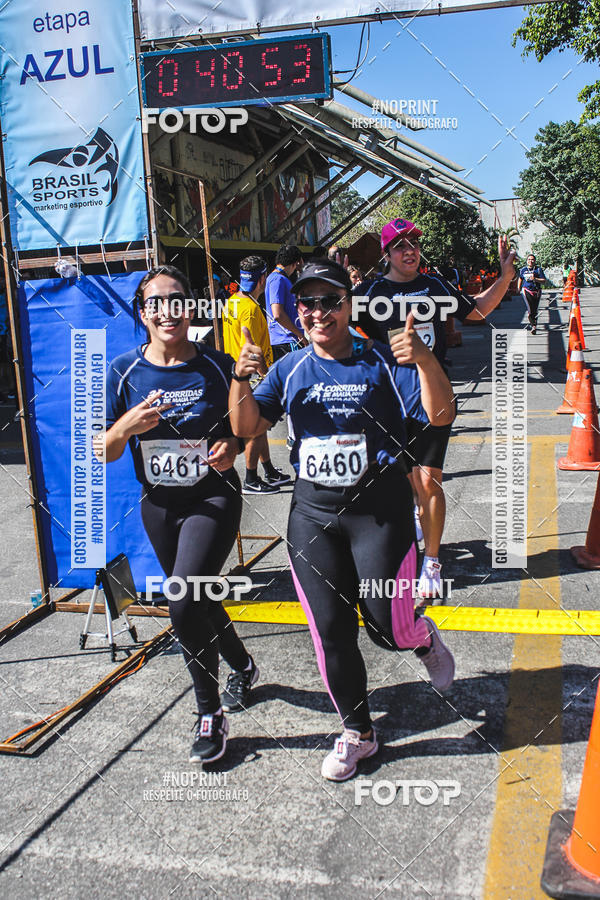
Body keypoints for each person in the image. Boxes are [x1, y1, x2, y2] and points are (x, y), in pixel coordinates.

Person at [229, 259, 457, 781]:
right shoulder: (288, 369)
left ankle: (421, 638)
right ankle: (358, 732)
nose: (317, 313)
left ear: (348, 304)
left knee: (386, 625)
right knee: (330, 629)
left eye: (330, 301)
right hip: (313, 516)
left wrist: (423, 360)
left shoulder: (383, 360)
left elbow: (440, 415)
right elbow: (245, 425)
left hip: (378, 512)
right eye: (307, 303)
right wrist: (241, 376)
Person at [101, 265, 259, 764]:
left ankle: (209, 713)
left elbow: (243, 428)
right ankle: (244, 665)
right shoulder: (124, 370)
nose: (167, 310)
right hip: (160, 505)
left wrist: (232, 446)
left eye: (177, 299)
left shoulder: (217, 365)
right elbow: (102, 450)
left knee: (184, 600)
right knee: (202, 599)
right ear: (142, 313)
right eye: (156, 302)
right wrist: (126, 425)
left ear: (190, 308)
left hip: (212, 497)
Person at [353, 218, 516, 600]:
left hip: (432, 397)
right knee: (398, 482)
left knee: (429, 480)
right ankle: (404, 541)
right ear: (387, 253)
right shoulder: (371, 292)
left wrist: (506, 276)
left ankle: (431, 561)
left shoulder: (434, 286)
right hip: (388, 403)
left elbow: (475, 311)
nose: (409, 251)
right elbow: (338, 326)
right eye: (400, 246)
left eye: (414, 244)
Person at [222, 255, 292, 493]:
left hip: (236, 371)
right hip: (252, 375)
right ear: (263, 278)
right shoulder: (251, 310)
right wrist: (268, 376)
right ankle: (251, 479)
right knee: (255, 427)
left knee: (260, 427)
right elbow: (251, 350)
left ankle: (269, 471)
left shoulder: (232, 301)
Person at [264, 245, 306, 360]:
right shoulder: (277, 279)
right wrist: (300, 334)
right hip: (286, 341)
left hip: (286, 340)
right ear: (297, 262)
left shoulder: (279, 279)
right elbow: (277, 314)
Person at [518, 253, 545, 334]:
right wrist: (518, 288)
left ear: (535, 261)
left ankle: (534, 325)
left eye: (532, 259)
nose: (530, 261)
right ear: (527, 261)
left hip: (537, 291)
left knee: (535, 309)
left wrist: (535, 279)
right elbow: (520, 278)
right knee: (530, 309)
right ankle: (533, 326)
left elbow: (544, 281)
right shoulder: (523, 270)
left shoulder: (538, 270)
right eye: (529, 259)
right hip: (526, 290)